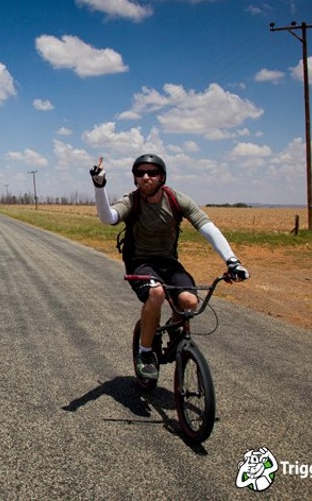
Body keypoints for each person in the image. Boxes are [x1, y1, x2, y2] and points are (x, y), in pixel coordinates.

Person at [89, 154, 249, 380]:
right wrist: (99, 187)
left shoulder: (176, 200)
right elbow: (108, 217)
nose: (146, 177)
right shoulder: (132, 201)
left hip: (168, 262)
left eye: (152, 173)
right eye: (140, 173)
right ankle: (145, 352)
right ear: (135, 178)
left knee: (190, 301)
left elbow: (206, 226)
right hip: (139, 262)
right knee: (156, 293)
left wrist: (232, 261)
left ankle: (173, 331)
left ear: (162, 177)